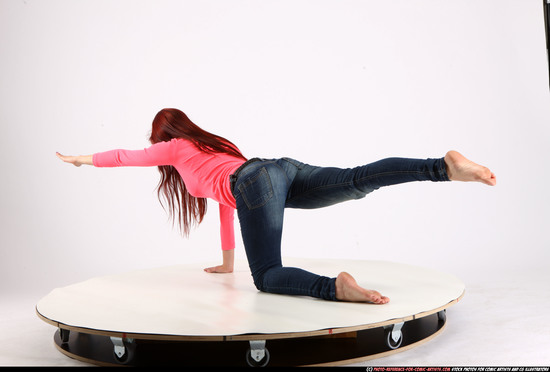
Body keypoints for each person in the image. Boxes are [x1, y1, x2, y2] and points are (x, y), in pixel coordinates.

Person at [56, 108, 496, 305]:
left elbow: (125, 158)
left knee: (266, 276)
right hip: (277, 170)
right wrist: (228, 263)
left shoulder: (173, 147)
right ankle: (443, 168)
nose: (157, 148)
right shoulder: (212, 147)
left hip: (256, 183)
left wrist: (79, 159)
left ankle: (335, 289)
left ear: (164, 135)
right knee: (357, 179)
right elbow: (230, 203)